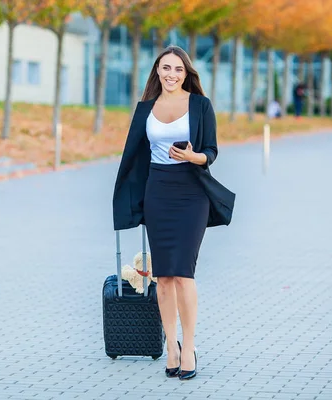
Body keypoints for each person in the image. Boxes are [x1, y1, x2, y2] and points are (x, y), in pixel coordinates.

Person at [112, 45, 218, 381]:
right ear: (157, 71)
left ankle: (189, 348)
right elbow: (134, 155)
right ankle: (170, 346)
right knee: (164, 277)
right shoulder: (145, 109)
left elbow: (212, 151)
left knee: (183, 272)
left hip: (191, 193)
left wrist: (193, 157)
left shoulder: (200, 105)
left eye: (178, 69)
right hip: (158, 192)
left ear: (186, 73)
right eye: (165, 68)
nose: (171, 75)